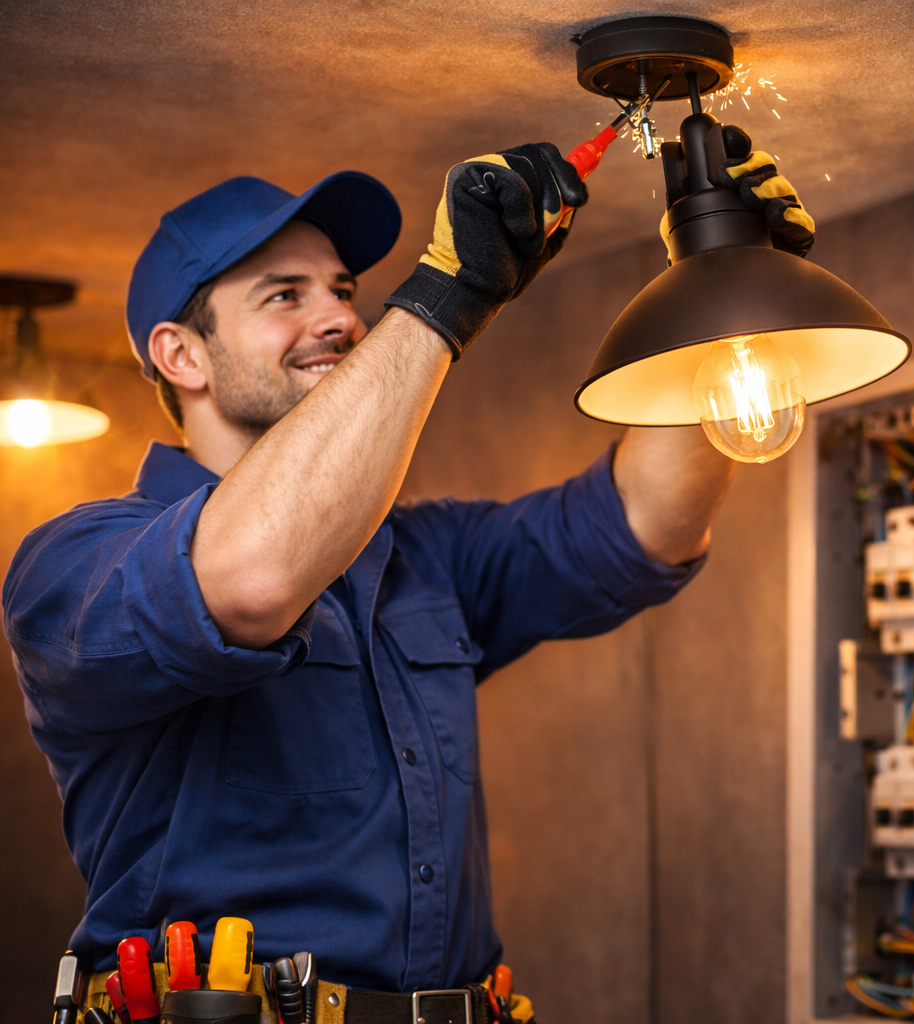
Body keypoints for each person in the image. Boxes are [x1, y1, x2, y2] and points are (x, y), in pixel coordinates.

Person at [3, 135, 809, 1018]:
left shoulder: (426, 558)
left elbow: (647, 523)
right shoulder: (70, 567)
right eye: (285, 296)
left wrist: (725, 293)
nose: (341, 319)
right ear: (181, 356)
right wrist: (444, 298)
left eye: (345, 291)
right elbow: (246, 581)